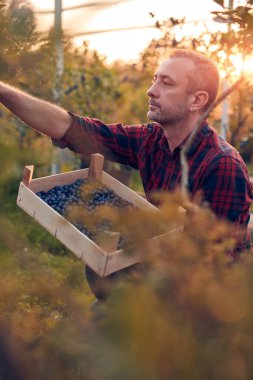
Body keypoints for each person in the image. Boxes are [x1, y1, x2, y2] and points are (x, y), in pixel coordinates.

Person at [0, 49, 252, 296]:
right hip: (163, 265)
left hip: (209, 297)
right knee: (103, 262)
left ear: (196, 100)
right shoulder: (151, 140)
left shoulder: (221, 165)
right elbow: (73, 128)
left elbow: (214, 263)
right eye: (155, 79)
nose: (151, 90)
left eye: (166, 83)